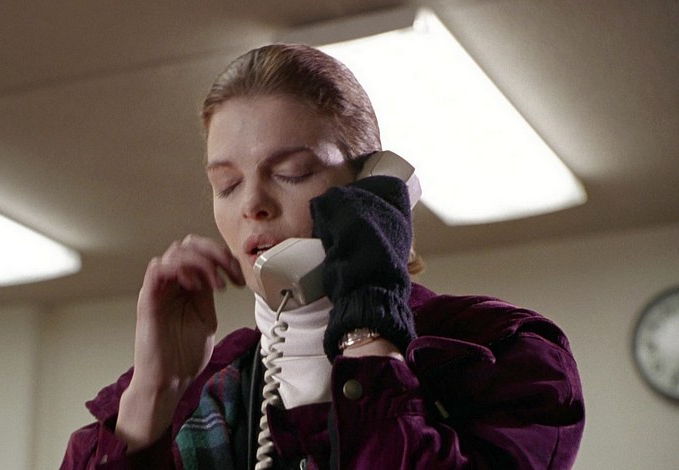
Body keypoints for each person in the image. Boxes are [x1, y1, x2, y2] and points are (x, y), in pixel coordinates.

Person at [60, 44, 585, 469]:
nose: (253, 205)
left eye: (291, 173)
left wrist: (367, 331)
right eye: (227, 185)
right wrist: (155, 392)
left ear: (372, 187)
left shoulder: (502, 351)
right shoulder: (213, 387)